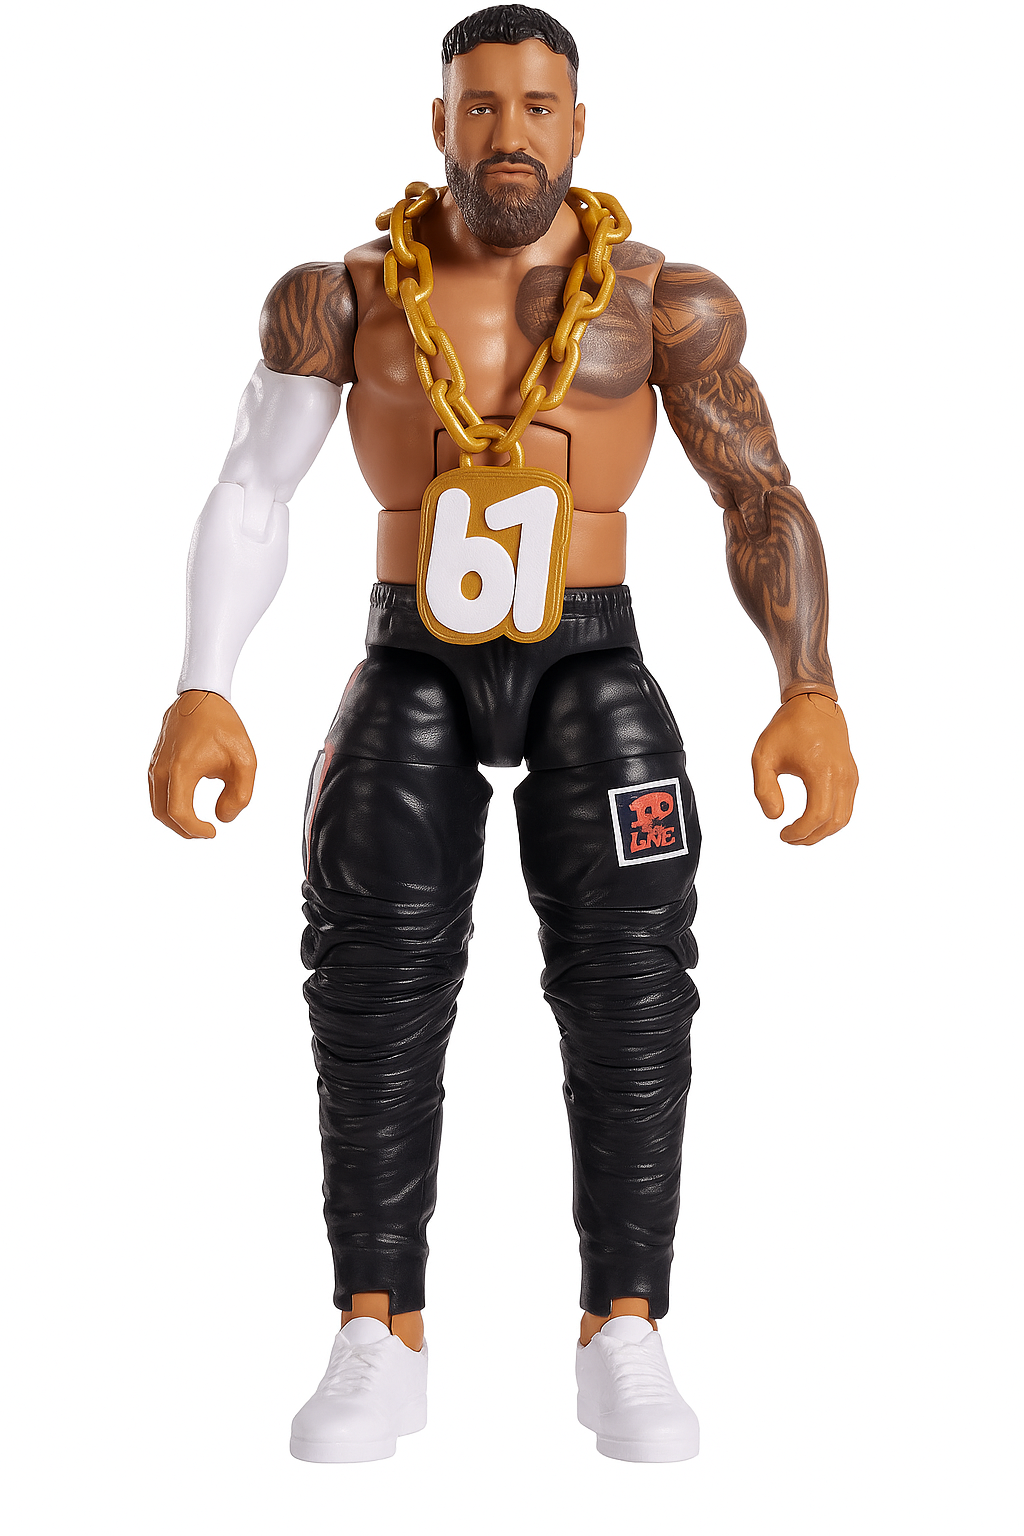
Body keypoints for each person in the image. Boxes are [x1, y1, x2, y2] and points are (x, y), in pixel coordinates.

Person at [148, 4, 858, 1464]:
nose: (510, 134)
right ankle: (378, 1324)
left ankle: (625, 1325)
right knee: (369, 969)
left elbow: (756, 490)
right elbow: (253, 488)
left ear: (578, 127)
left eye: (538, 108)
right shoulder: (342, 296)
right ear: (440, 123)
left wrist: (808, 687)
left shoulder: (659, 300)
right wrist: (205, 682)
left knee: (635, 978)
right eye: (482, 106)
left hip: (592, 652)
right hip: (410, 649)